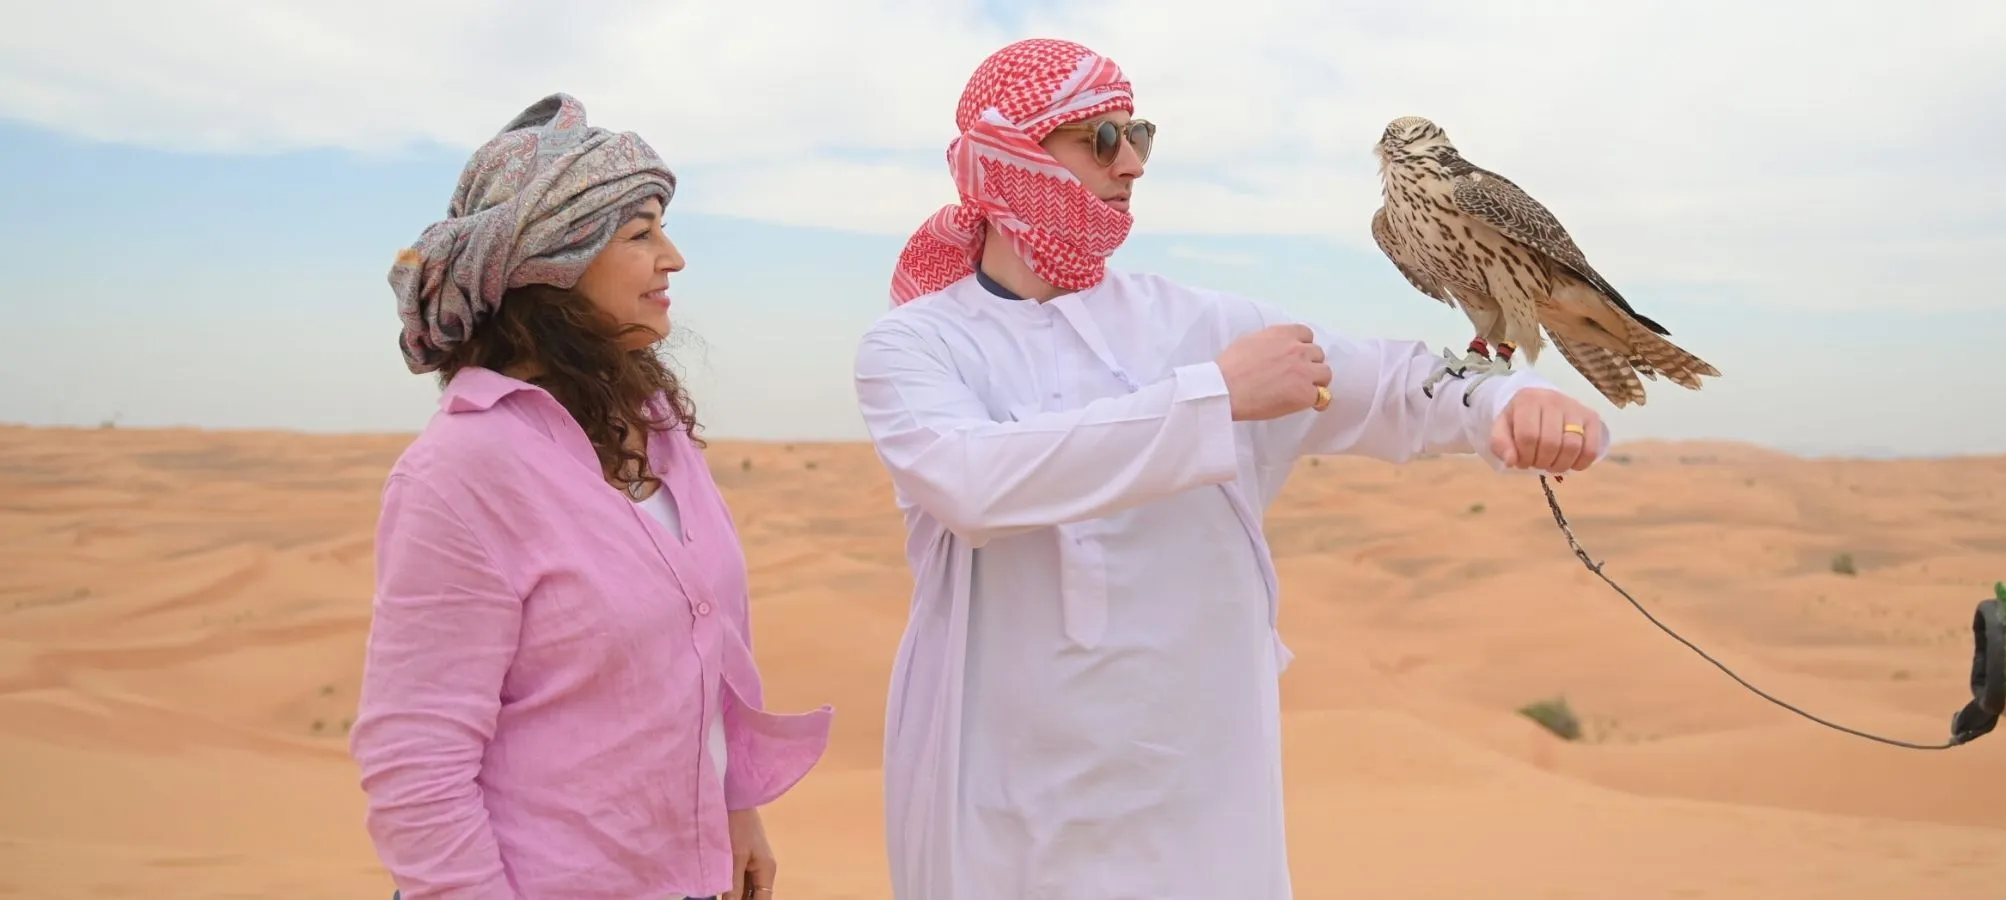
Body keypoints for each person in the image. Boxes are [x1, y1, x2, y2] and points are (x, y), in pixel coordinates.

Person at [851, 38, 1613, 900]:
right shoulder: (915, 347)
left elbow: (1400, 383)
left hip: (1200, 797)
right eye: (1098, 139)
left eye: (1138, 133)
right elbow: (973, 483)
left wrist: (1511, 400)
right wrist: (1215, 397)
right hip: (1002, 797)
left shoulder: (1197, 320)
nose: (1132, 163)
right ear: (1007, 158)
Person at [350, 93, 832, 900]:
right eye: (641, 234)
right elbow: (416, 762)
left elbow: (707, 651)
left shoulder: (654, 424)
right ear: (554, 266)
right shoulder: (463, 469)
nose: (672, 257)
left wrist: (733, 810)